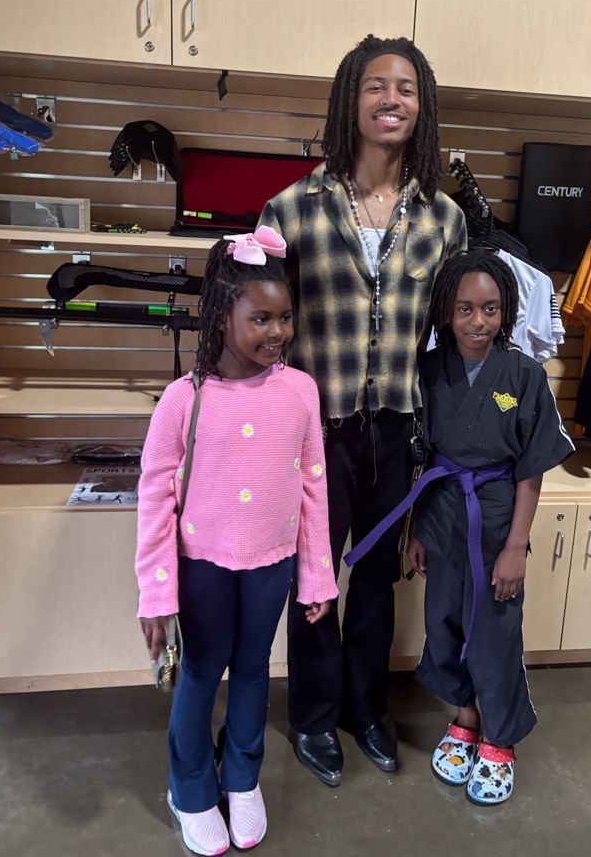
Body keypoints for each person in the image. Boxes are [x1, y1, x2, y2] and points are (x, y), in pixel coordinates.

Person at [259, 35, 466, 787]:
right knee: (314, 579)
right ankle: (314, 716)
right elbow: (262, 333)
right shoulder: (291, 210)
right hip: (316, 432)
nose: (391, 99)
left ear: (422, 106)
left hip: (397, 430)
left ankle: (366, 708)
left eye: (406, 88)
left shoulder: (444, 219)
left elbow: (448, 340)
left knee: (377, 578)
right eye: (376, 85)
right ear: (351, 97)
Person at [135, 226, 338, 856]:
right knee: (201, 674)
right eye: (261, 319)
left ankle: (242, 780)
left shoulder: (301, 392)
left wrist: (318, 575)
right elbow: (155, 498)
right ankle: (191, 789)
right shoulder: (184, 399)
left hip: (272, 565)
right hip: (202, 568)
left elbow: (313, 486)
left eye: (285, 318)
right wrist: (156, 594)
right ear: (222, 317)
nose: (277, 333)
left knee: (253, 671)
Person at [405, 250, 575, 804]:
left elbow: (532, 467)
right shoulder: (430, 370)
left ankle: (500, 739)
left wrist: (517, 547)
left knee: (494, 634)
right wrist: (419, 530)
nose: (478, 321)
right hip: (443, 513)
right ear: (446, 312)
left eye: (490, 309)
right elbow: (425, 456)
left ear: (507, 311)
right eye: (465, 309)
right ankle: (465, 717)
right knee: (444, 624)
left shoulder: (523, 375)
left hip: (498, 519)